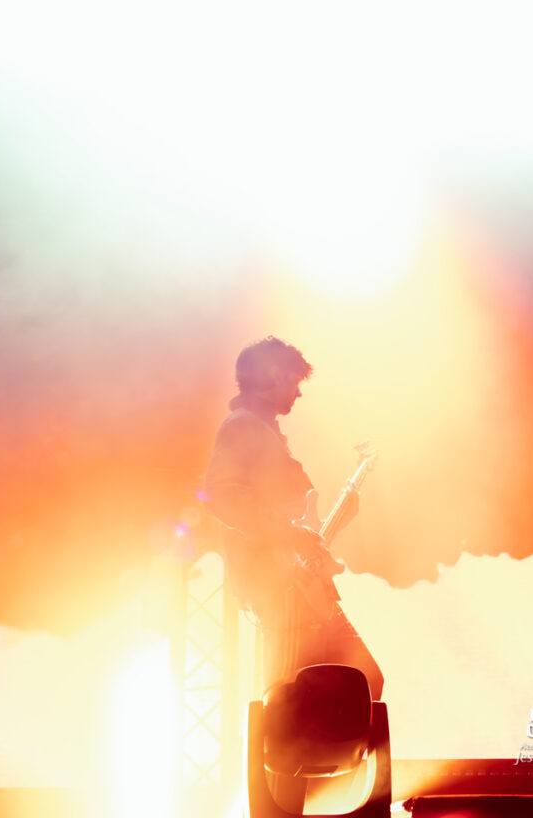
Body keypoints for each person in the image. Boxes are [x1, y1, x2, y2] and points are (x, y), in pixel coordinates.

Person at [202, 337, 383, 810]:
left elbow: (302, 527)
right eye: (295, 381)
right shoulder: (241, 428)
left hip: (301, 589)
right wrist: (289, 535)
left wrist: (334, 521)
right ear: (273, 376)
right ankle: (292, 808)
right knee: (295, 707)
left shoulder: (264, 432)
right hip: (280, 591)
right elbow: (222, 495)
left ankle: (311, 804)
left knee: (346, 691)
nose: (299, 392)